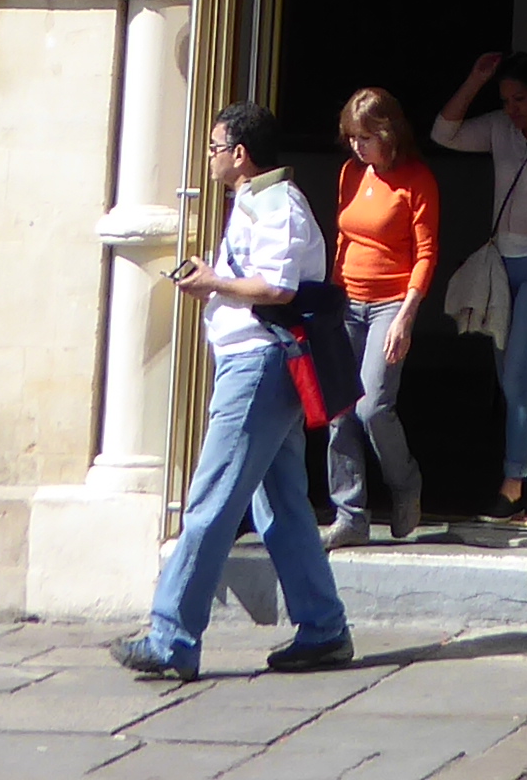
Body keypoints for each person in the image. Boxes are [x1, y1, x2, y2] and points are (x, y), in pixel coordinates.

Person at [114, 106, 353, 681]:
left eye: (216, 146)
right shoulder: (256, 202)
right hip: (253, 363)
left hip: (259, 366)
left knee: (212, 501)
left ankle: (171, 638)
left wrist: (213, 281)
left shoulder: (278, 204)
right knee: (283, 506)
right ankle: (322, 628)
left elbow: (276, 287)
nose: (211, 155)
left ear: (241, 153)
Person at [433, 48, 527, 518]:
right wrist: (475, 79)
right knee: (510, 377)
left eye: (520, 99)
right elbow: (443, 133)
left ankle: (513, 483)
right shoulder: (500, 129)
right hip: (502, 264)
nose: (512, 109)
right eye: (506, 100)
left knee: (522, 372)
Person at [324, 86, 440, 548]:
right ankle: (349, 513)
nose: (357, 146)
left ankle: (405, 482)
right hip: (345, 302)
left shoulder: (417, 180)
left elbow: (427, 254)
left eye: (366, 137)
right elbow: (343, 238)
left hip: (390, 304)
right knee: (337, 411)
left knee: (372, 407)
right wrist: (330, 299)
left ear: (389, 134)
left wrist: (406, 316)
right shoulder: (351, 173)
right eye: (352, 137)